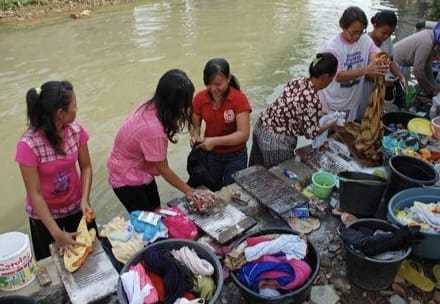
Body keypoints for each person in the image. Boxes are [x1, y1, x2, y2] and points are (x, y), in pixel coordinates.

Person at [15, 81, 95, 260]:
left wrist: (84, 199)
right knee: (53, 262)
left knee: (89, 253)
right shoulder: (28, 145)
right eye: (74, 105)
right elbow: (34, 193)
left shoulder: (76, 130)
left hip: (76, 207)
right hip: (45, 217)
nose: (77, 109)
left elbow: (86, 166)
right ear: (60, 113)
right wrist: (56, 232)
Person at [107, 69, 197, 212]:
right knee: (147, 222)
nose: (187, 107)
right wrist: (190, 191)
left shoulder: (150, 105)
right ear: (175, 104)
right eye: (185, 103)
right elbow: (164, 169)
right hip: (126, 179)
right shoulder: (154, 130)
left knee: (156, 211)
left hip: (139, 169)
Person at [248, 53, 339, 168]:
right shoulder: (312, 100)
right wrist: (331, 124)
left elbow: (293, 109)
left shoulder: (297, 81)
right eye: (332, 78)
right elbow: (311, 133)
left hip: (260, 127)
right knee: (278, 176)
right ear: (325, 77)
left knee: (255, 172)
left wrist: (317, 115)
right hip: (275, 142)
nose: (331, 81)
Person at [190, 58, 252, 191]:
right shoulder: (200, 98)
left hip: (236, 155)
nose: (213, 89)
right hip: (211, 155)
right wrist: (194, 136)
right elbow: (194, 125)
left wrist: (214, 141)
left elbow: (244, 134)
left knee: (232, 192)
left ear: (228, 78)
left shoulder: (239, 99)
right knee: (212, 189)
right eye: (209, 84)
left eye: (218, 84)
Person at [320, 6, 388, 121]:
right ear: (343, 27)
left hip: (352, 104)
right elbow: (338, 76)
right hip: (332, 104)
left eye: (361, 32)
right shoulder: (333, 48)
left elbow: (375, 53)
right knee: (327, 135)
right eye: (353, 33)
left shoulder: (365, 40)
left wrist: (381, 61)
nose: (357, 37)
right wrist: (366, 70)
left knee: (347, 132)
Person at [358, 10, 405, 119]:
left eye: (390, 34)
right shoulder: (364, 42)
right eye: (384, 33)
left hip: (378, 89)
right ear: (375, 26)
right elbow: (362, 72)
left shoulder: (387, 41)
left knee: (374, 115)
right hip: (362, 90)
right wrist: (383, 80)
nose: (386, 36)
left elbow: (391, 61)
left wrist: (400, 76)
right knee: (362, 116)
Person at [393, 22, 440, 97]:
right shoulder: (427, 43)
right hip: (394, 65)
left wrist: (435, 86)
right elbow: (418, 70)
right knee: (398, 95)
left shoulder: (430, 35)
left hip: (402, 64)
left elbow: (427, 67)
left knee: (403, 93)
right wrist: (429, 90)